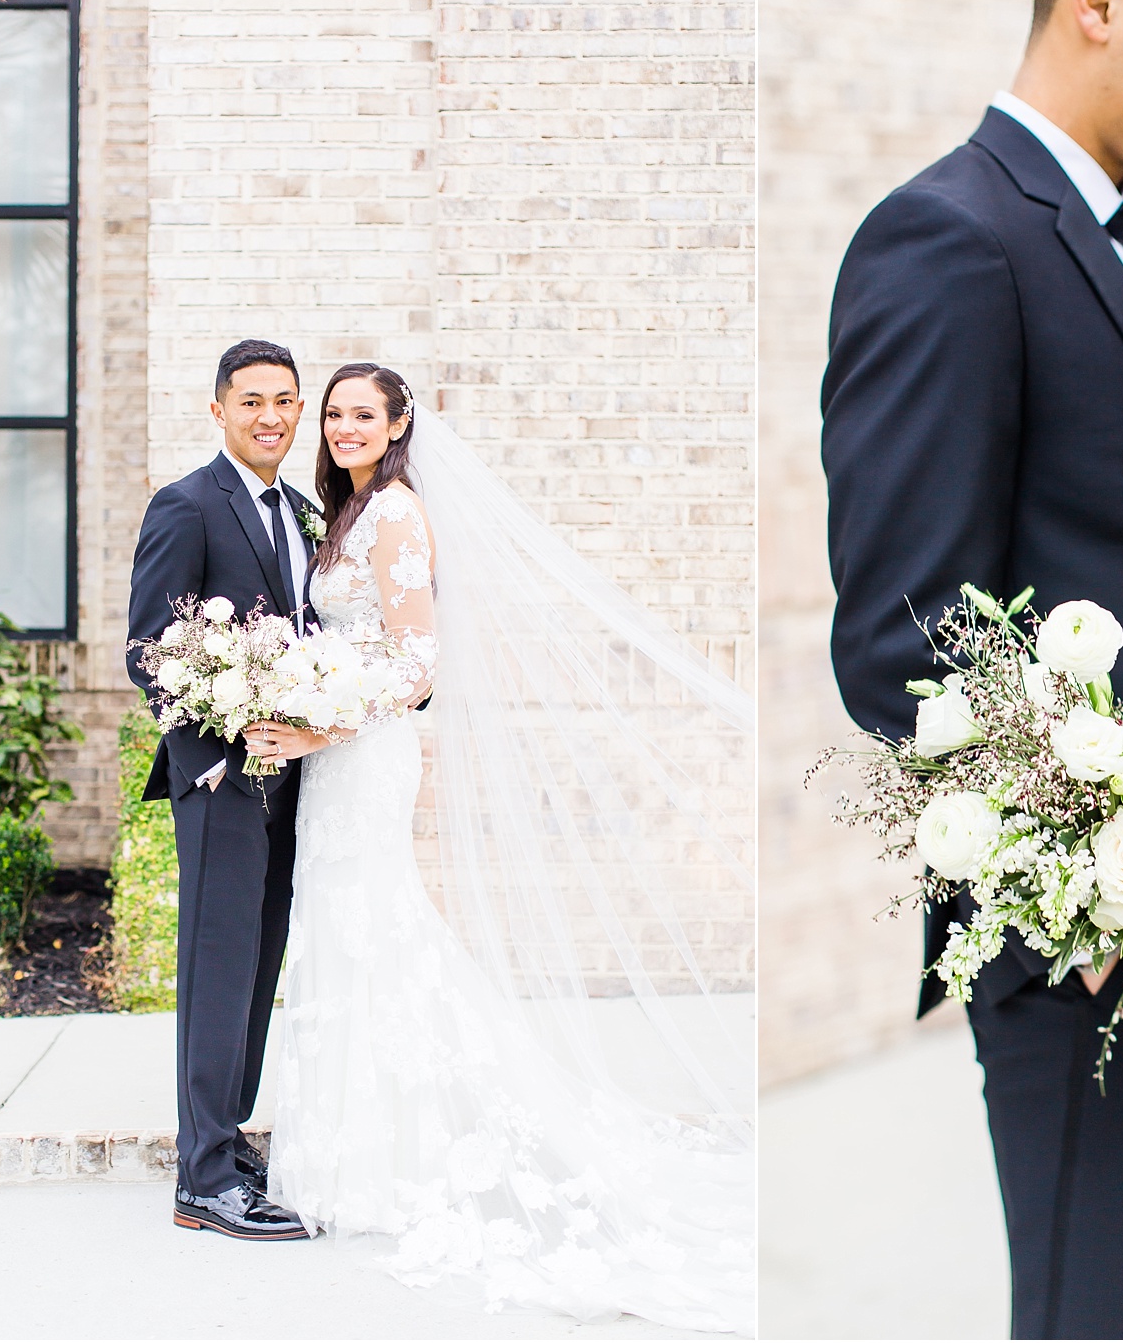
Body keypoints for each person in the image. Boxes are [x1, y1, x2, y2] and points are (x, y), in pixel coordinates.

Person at [821, 0, 1123, 1336]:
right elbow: (904, 639)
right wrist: (1095, 881)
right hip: (1089, 963)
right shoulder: (950, 239)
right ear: (1100, 6)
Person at [239, 364, 755, 1332]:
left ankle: (391, 1163)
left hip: (365, 755)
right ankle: (360, 1154)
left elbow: (420, 661)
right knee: (351, 935)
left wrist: (316, 727)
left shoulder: (393, 512)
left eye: (365, 415)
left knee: (373, 929)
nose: (346, 427)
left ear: (398, 426)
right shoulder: (346, 513)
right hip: (339, 759)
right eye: (337, 414)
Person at [125, 339, 317, 1241]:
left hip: (296, 780)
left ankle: (227, 1138)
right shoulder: (188, 504)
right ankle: (201, 1176)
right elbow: (148, 647)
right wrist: (221, 723)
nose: (271, 416)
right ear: (218, 410)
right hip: (220, 778)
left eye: (284, 400)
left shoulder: (307, 512)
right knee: (216, 966)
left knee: (260, 960)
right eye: (252, 402)